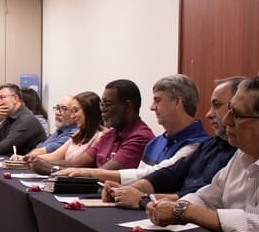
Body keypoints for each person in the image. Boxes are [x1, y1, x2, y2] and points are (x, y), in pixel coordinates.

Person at [103, 77, 242, 209]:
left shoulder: (199, 144)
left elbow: (200, 196)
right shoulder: (211, 144)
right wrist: (128, 190)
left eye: (157, 100)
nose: (208, 114)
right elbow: (172, 173)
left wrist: (143, 199)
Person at [146, 76, 259, 232]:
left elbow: (255, 225)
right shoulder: (242, 154)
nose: (227, 120)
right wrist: (176, 206)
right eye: (229, 110)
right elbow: (208, 197)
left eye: (237, 114)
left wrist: (184, 211)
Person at [58, 75, 208, 182]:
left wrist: (89, 174)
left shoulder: (198, 145)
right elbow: (140, 178)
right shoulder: (155, 143)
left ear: (177, 103)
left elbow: (151, 176)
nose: (152, 107)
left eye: (157, 100)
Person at [49, 79, 154, 171]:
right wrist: (44, 164)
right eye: (102, 105)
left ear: (128, 106)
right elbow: (76, 164)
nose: (103, 110)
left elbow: (104, 173)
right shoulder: (108, 135)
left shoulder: (140, 137)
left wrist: (51, 168)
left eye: (108, 105)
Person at [26, 91, 105, 173]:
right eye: (72, 111)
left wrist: (44, 163)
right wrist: (32, 159)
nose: (72, 116)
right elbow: (56, 155)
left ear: (89, 111)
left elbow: (76, 164)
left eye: (75, 111)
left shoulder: (101, 136)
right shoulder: (78, 133)